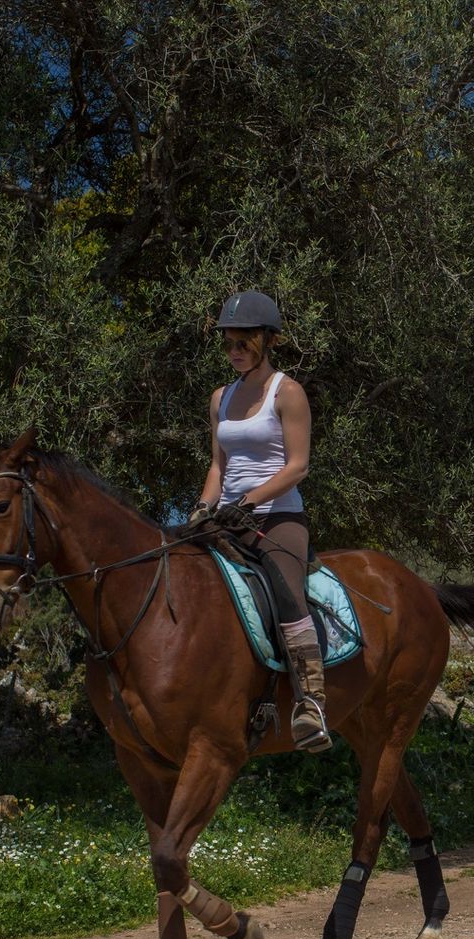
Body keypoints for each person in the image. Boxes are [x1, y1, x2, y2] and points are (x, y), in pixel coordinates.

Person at [185, 290, 329, 753]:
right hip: (225, 516)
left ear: (268, 340)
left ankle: (311, 704)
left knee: (287, 597)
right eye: (228, 342)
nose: (234, 350)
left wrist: (246, 502)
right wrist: (201, 510)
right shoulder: (219, 398)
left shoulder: (287, 392)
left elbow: (297, 466)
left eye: (243, 341)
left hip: (277, 517)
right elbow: (217, 468)